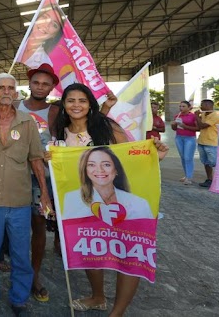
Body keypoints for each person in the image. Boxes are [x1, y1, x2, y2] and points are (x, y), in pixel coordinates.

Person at [50, 83, 168, 315]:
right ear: (63, 104)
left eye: (82, 100)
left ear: (90, 104)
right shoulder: (61, 131)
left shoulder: (106, 126)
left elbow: (129, 159)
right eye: (71, 100)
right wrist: (50, 160)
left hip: (122, 203)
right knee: (91, 249)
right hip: (84, 204)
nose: (76, 105)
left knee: (128, 253)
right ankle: (97, 297)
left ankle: (117, 312)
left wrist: (155, 155)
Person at [0, 73, 52, 317]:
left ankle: (19, 300)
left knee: (20, 253)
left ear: (16, 94)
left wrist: (45, 195)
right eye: (1, 88)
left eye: (11, 88)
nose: (6, 91)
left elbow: (36, 159)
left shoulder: (28, 122)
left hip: (19, 201)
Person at [17, 63, 60, 303]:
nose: (40, 87)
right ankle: (18, 268)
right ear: (29, 84)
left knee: (39, 224)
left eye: (46, 84)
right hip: (15, 175)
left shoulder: (54, 112)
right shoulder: (16, 107)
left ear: (52, 86)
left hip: (42, 178)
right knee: (15, 225)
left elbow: (63, 139)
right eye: (36, 83)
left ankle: (34, 276)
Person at [62, 147, 154, 220]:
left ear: (116, 169)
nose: (100, 170)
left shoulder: (139, 203)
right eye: (91, 165)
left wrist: (155, 155)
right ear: (85, 170)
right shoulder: (72, 199)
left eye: (106, 164)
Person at [20, 3, 64, 68]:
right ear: (36, 18)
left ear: (55, 35)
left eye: (54, 25)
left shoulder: (46, 64)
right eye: (44, 17)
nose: (46, 25)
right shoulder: (17, 42)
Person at [195, 99, 219, 188]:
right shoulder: (203, 114)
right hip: (202, 141)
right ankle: (209, 179)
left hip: (211, 143)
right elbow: (199, 127)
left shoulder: (215, 116)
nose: (200, 106)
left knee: (214, 163)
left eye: (202, 105)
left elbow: (203, 126)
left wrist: (196, 116)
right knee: (206, 162)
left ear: (208, 105)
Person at [170, 100, 198, 185]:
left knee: (188, 157)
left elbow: (198, 128)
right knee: (183, 157)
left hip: (190, 138)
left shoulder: (193, 116)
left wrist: (184, 126)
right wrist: (173, 125)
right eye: (180, 106)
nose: (181, 108)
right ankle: (186, 175)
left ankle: (189, 178)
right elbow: (175, 129)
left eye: (183, 106)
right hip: (179, 138)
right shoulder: (177, 116)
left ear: (189, 107)